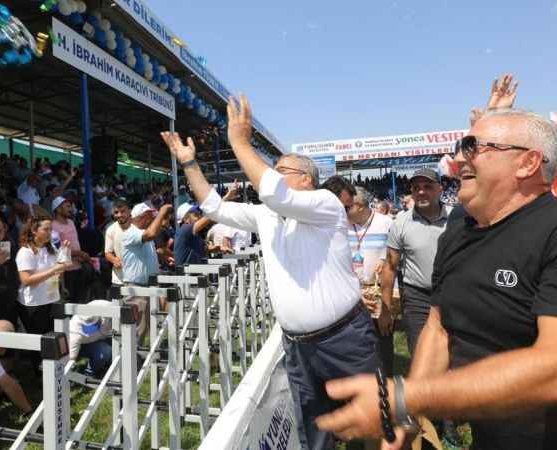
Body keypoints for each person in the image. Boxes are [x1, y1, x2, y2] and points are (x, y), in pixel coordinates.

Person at [316, 109, 557, 450]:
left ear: (528, 163)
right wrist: (409, 413)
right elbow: (439, 326)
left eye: (474, 147)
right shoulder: (459, 233)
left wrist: (408, 397)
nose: (459, 158)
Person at [162, 95, 378, 450]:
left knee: (372, 426)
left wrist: (240, 143)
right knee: (315, 432)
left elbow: (276, 194)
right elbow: (213, 207)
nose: (271, 174)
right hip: (298, 346)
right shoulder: (266, 215)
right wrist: (189, 163)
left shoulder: (325, 204)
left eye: (281, 170)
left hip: (343, 339)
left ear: (306, 180)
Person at [385, 168, 451, 356]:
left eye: (428, 187)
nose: (421, 192)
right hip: (417, 299)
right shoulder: (400, 222)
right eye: (416, 188)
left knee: (456, 351)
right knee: (420, 352)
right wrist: (386, 308)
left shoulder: (457, 218)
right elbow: (390, 266)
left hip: (453, 294)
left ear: (440, 189)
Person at [347, 186, 395, 374]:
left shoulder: (386, 223)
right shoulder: (341, 226)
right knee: (355, 349)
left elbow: (396, 254)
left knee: (382, 346)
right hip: (352, 295)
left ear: (359, 205)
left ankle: (386, 385)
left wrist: (383, 259)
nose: (343, 211)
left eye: (347, 207)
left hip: (378, 292)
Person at [114, 201, 172, 342]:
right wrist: (162, 212)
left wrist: (164, 258)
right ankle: (131, 356)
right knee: (137, 331)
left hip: (147, 287)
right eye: (150, 216)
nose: (152, 219)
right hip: (136, 289)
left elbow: (148, 254)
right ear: (142, 217)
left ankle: (144, 354)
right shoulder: (131, 233)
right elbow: (151, 233)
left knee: (147, 328)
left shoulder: (143, 234)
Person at [15, 216, 68, 338]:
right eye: (46, 229)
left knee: (53, 339)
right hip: (34, 304)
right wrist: (53, 270)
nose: (50, 233)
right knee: (38, 341)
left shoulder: (51, 248)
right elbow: (26, 280)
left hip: (51, 300)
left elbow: (59, 272)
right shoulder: (25, 252)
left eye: (51, 229)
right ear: (34, 230)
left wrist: (65, 254)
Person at [51, 196, 92, 303]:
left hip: (78, 266)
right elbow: (57, 250)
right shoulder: (53, 226)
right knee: (70, 302)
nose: (71, 209)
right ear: (58, 209)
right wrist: (79, 253)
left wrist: (81, 255)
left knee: (80, 301)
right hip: (66, 272)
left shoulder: (71, 222)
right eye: (68, 206)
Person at [67, 299, 113, 376]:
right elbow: (71, 357)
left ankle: (107, 364)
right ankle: (89, 371)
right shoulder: (75, 333)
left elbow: (116, 306)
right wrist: (71, 364)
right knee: (106, 351)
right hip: (82, 346)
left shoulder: (99, 307)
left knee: (119, 343)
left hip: (103, 336)